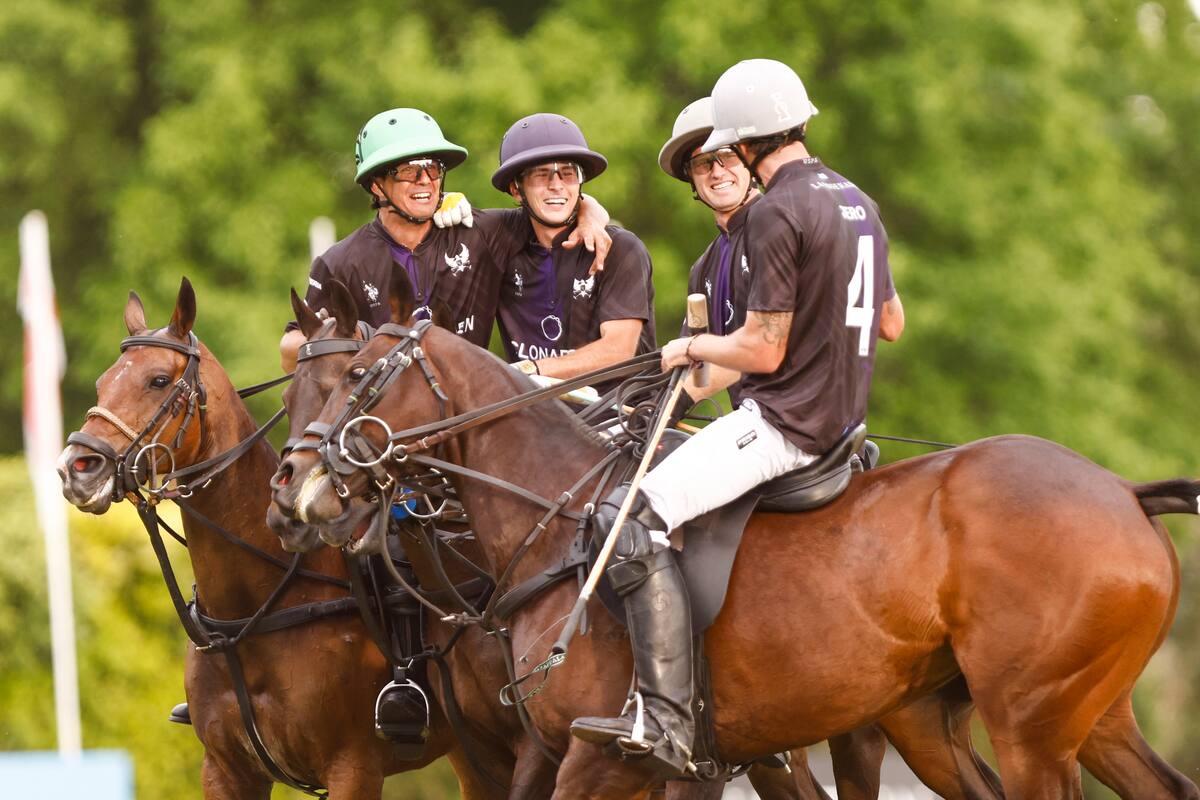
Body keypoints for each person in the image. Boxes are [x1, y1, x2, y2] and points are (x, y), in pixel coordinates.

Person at [570, 61, 900, 777]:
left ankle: (664, 719)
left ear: (749, 142)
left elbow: (763, 346)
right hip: (847, 424)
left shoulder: (780, 209)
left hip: (788, 423)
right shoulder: (855, 198)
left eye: (729, 146)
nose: (723, 161)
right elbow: (892, 321)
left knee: (627, 516)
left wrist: (687, 348)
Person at [279, 107, 612, 370]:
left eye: (433, 169)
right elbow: (290, 351)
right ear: (377, 184)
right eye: (409, 171)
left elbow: (551, 203)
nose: (425, 180)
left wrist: (591, 214)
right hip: (382, 425)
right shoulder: (341, 261)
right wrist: (355, 340)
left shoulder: (482, 232)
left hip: (463, 419)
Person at [490, 113, 656, 380]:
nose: (556, 185)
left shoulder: (622, 248)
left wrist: (530, 370)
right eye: (541, 175)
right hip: (534, 415)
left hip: (618, 413)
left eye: (567, 173)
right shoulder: (498, 240)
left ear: (580, 183)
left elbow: (618, 350)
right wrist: (450, 202)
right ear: (516, 189)